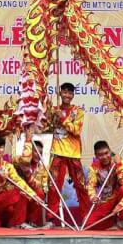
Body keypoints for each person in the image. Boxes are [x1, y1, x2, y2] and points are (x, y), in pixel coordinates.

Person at [46, 82, 89, 225]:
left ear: (73, 95)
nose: (67, 95)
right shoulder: (54, 110)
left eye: (70, 93)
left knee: (81, 186)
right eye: (64, 92)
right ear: (60, 93)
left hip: (73, 153)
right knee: (53, 186)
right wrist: (51, 115)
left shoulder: (78, 111)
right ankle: (51, 218)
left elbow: (76, 130)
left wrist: (63, 118)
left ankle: (86, 217)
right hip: (57, 152)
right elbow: (47, 127)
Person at [83, 140, 123, 230]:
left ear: (110, 151)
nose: (104, 157)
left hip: (118, 198)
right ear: (96, 156)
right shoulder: (94, 167)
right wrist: (93, 196)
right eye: (100, 155)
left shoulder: (118, 162)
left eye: (106, 153)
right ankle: (112, 222)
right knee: (88, 224)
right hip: (105, 201)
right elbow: (91, 186)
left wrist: (119, 164)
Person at [13, 128, 49, 229]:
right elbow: (25, 160)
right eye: (36, 152)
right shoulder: (18, 159)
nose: (39, 155)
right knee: (24, 193)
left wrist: (29, 176)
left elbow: (41, 185)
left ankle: (31, 221)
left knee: (40, 193)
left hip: (32, 193)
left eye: (40, 153)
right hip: (18, 192)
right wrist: (28, 140)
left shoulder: (42, 168)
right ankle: (19, 223)